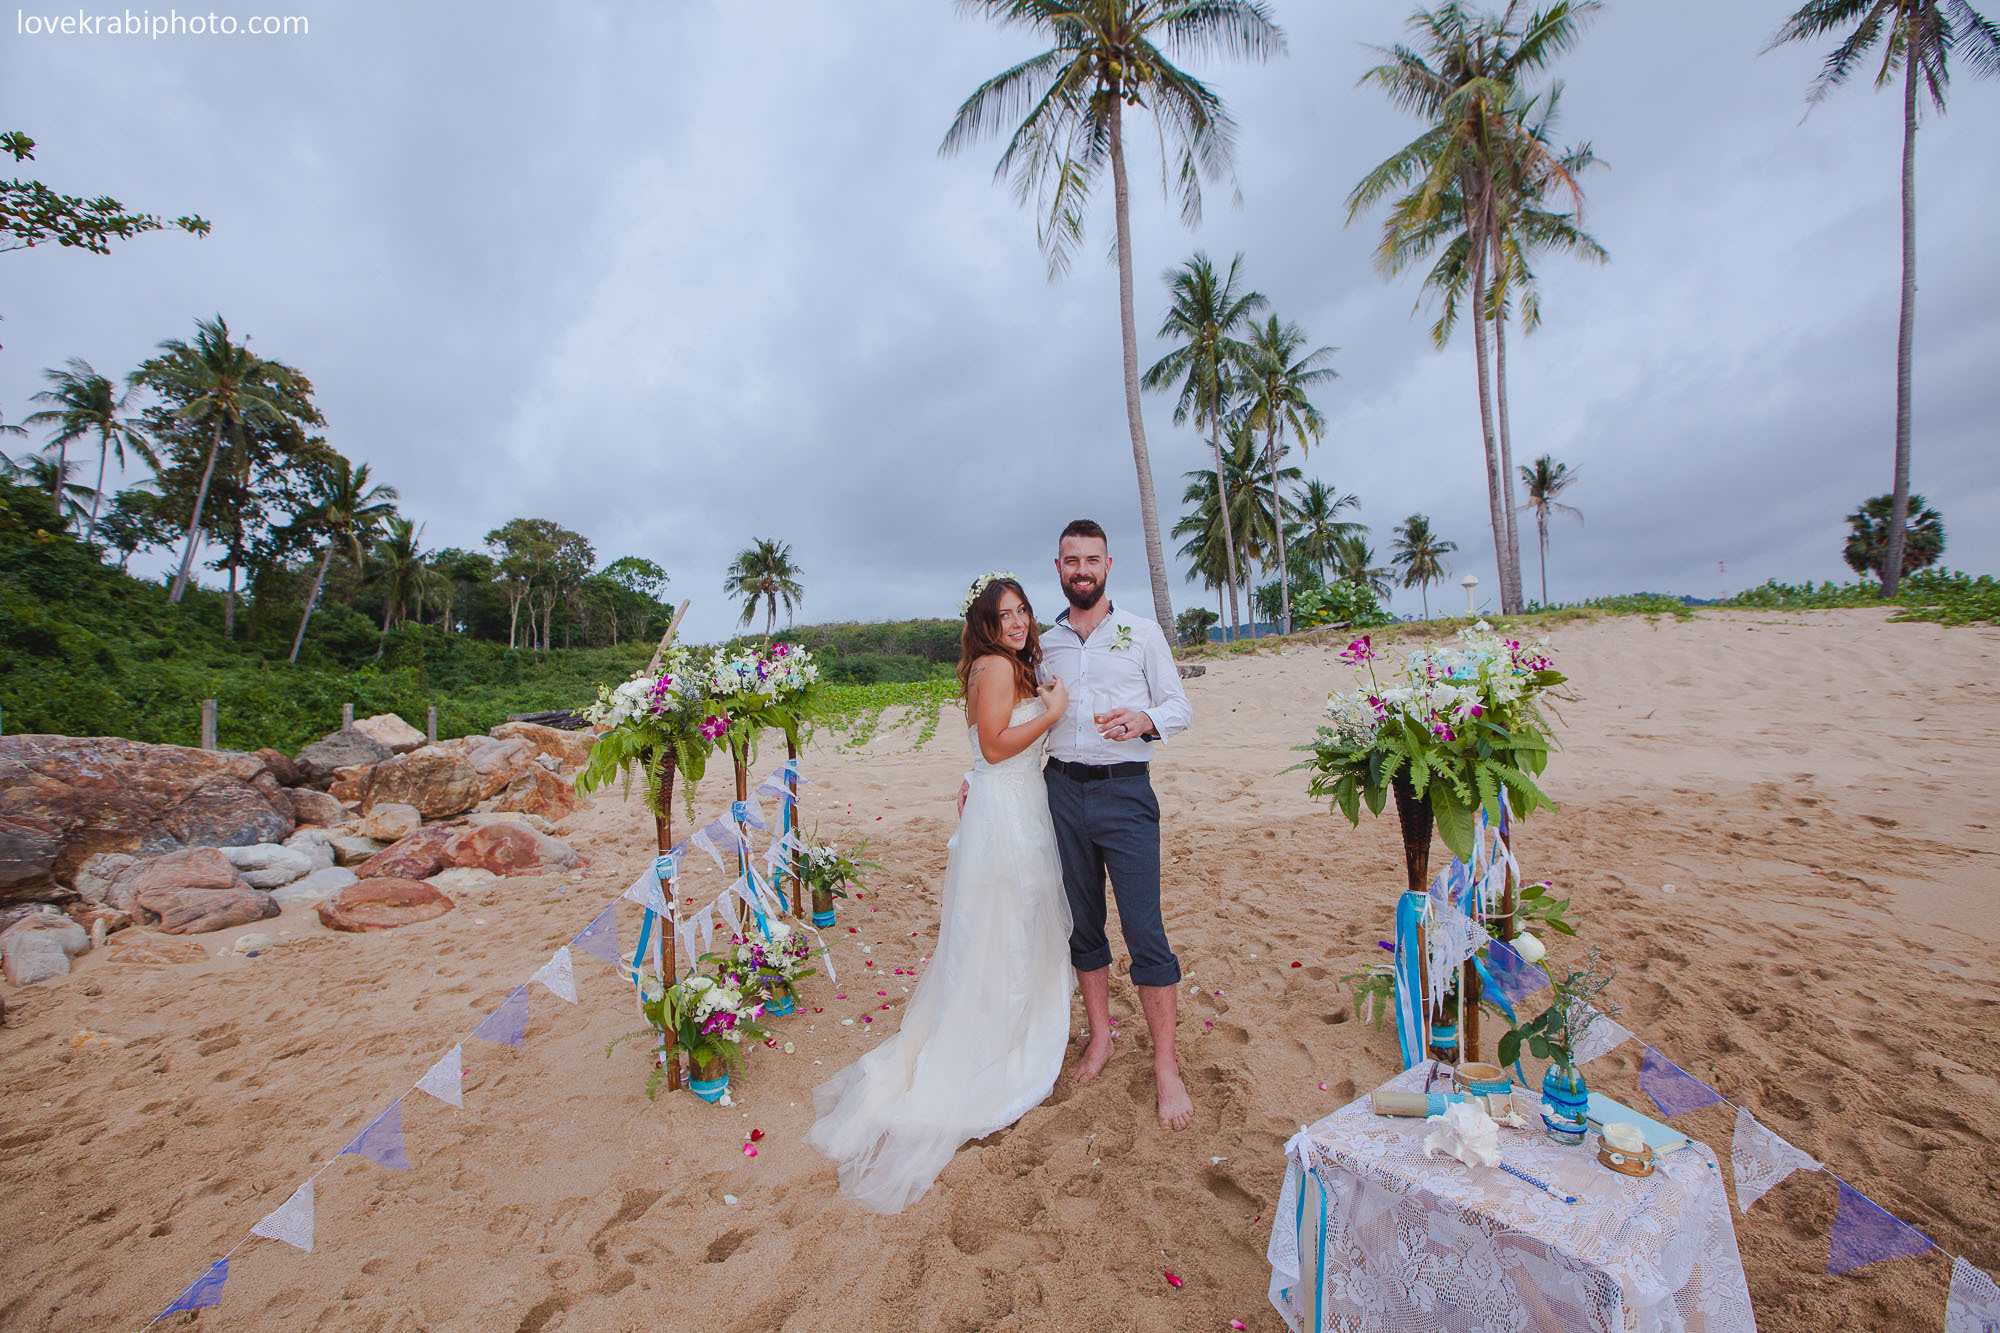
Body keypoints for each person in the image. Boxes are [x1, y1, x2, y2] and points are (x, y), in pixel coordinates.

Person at [804, 574, 1076, 1213]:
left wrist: (977, 772)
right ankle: (995, 1048)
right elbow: (996, 745)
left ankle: (1002, 1029)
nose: (1018, 622)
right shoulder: (997, 666)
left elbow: (986, 748)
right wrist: (1054, 713)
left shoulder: (998, 665)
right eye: (1005, 615)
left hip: (1009, 804)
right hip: (1008, 813)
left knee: (1002, 927)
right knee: (1006, 929)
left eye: (1023, 610)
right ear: (985, 624)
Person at [1038, 519, 1194, 1129]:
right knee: (1083, 924)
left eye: (1092, 560)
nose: (1082, 570)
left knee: (1144, 929)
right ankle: (1101, 1037)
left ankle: (1165, 1064)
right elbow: (1021, 715)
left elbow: (1179, 706)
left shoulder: (1143, 633)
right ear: (1059, 568)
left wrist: (1146, 720)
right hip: (1060, 792)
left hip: (1126, 792)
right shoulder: (1043, 644)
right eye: (1071, 560)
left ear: (1108, 566)